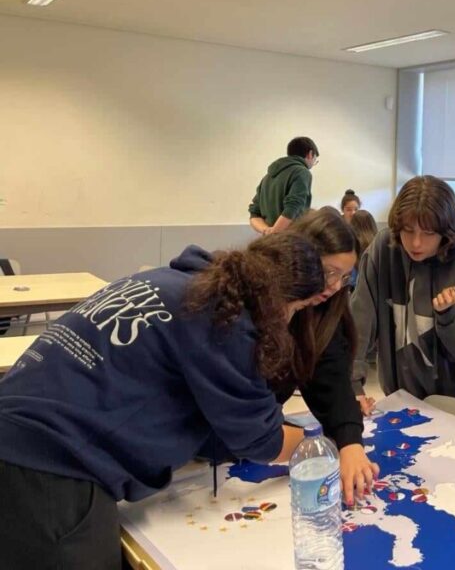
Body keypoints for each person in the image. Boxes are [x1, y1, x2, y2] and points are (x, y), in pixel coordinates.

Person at [0, 234, 327, 569]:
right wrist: (320, 448)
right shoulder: (226, 318)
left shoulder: (172, 281)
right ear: (282, 298)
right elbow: (261, 439)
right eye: (297, 310)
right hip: (50, 468)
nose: (290, 322)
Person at [350, 176, 455, 406]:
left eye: (428, 233)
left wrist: (450, 318)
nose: (416, 243)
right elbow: (359, 319)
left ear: (446, 232)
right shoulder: (384, 248)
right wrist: (353, 383)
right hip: (398, 396)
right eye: (407, 231)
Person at [283, 207, 378, 506]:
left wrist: (349, 441)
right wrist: (318, 446)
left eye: (344, 277)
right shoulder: (265, 306)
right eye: (329, 273)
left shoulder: (325, 309)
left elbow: (332, 377)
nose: (335, 286)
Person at [249, 136, 319, 236]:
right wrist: (274, 232)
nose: (313, 164)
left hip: (267, 241)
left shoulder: (267, 177)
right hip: (290, 239)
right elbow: (293, 207)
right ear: (310, 154)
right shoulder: (302, 172)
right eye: (315, 160)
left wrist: (267, 231)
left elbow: (254, 214)